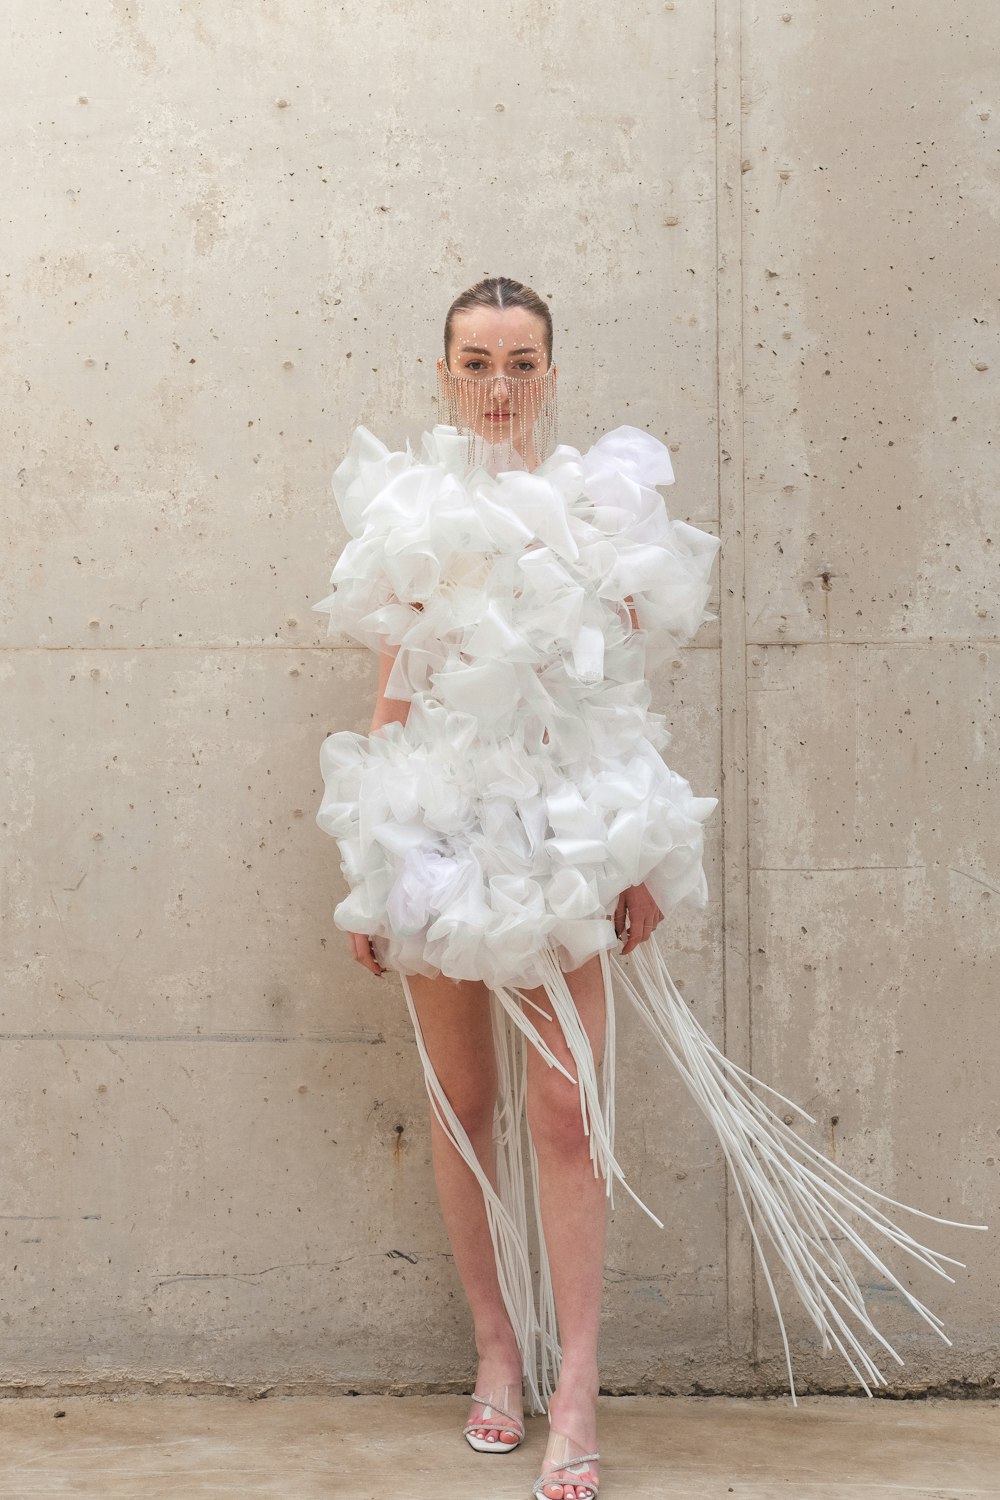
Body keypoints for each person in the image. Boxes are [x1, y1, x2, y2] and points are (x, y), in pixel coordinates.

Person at [313, 277, 984, 1500]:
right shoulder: (407, 512)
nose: (499, 388)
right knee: (463, 1110)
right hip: (439, 834)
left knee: (565, 1117)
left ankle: (579, 1391)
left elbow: (615, 702)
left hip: (566, 839)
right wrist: (372, 874)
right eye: (475, 364)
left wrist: (641, 858)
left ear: (553, 370)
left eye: (520, 363)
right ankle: (497, 1356)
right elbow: (394, 697)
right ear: (444, 374)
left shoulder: (600, 518)